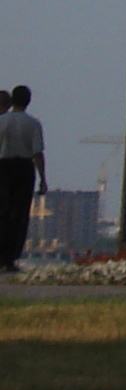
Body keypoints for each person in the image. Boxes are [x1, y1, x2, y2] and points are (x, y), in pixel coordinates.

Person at [0, 87, 42, 274]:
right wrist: (43, 178)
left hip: (3, 167)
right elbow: (37, 153)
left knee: (2, 213)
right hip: (24, 169)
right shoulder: (33, 124)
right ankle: (10, 258)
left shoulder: (2, 121)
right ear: (28, 101)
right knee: (19, 216)